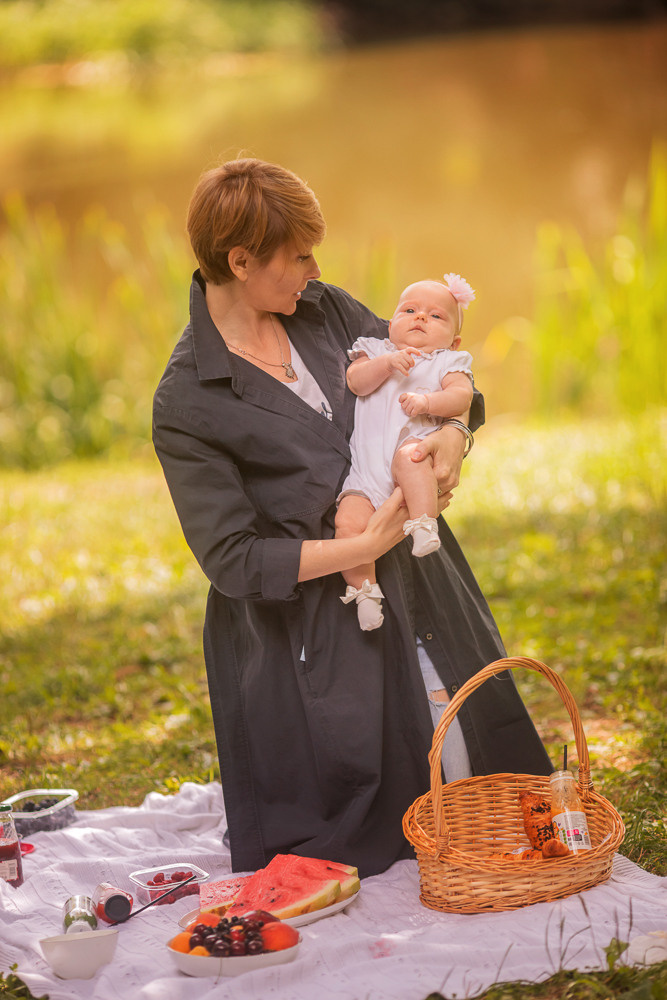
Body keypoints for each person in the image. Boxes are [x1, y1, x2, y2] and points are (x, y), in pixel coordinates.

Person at [152, 157, 553, 880]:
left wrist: (453, 438)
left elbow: (434, 370)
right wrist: (362, 544)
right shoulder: (187, 400)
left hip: (419, 578)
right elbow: (235, 560)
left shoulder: (325, 310)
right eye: (299, 255)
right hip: (308, 628)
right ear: (239, 261)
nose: (315, 268)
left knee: (483, 789)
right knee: (384, 823)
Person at [335, 273, 476, 631]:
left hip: (409, 454)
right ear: (391, 322)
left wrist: (428, 402)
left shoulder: (447, 362)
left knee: (412, 457)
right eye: (409, 310)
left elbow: (462, 397)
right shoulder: (374, 350)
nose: (420, 318)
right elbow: (355, 381)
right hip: (365, 471)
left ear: (454, 340)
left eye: (436, 315)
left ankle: (424, 524)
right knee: (347, 524)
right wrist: (386, 363)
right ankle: (365, 593)